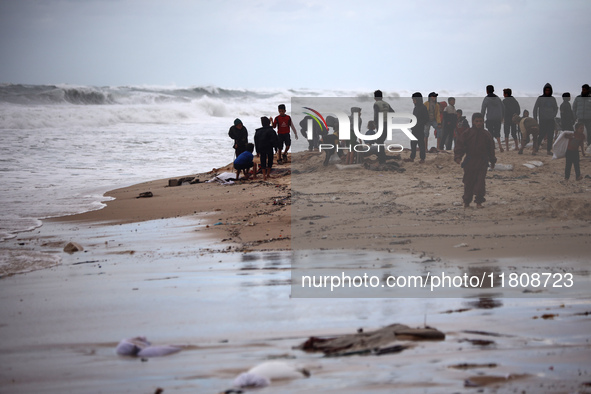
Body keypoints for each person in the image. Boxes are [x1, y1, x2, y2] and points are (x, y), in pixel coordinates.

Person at [454, 113, 497, 209]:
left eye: (481, 121)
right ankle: (467, 202)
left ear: (483, 122)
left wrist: (492, 161)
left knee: (480, 183)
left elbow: (491, 149)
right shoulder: (467, 133)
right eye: (476, 121)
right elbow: (460, 145)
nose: (479, 123)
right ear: (473, 122)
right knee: (468, 182)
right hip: (469, 161)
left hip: (482, 161)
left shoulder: (486, 134)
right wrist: (458, 157)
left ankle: (479, 202)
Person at [533, 83, 558, 155]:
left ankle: (548, 150)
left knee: (550, 135)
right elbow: (535, 109)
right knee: (541, 134)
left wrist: (553, 115)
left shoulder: (553, 99)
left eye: (549, 90)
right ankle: (535, 149)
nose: (547, 91)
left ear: (551, 90)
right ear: (544, 90)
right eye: (546, 90)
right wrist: (535, 119)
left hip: (551, 120)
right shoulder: (540, 98)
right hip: (542, 119)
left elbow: (556, 108)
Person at [404, 92, 428, 163]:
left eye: (414, 99)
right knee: (413, 144)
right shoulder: (416, 108)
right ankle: (412, 157)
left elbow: (426, 119)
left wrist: (419, 124)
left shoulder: (423, 107)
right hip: (414, 129)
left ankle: (422, 158)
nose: (413, 101)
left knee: (421, 144)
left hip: (420, 129)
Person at [480, 85, 504, 152]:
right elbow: (503, 108)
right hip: (498, 118)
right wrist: (502, 116)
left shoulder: (486, 99)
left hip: (490, 118)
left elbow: (483, 110)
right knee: (497, 132)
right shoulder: (498, 98)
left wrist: (481, 119)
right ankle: (500, 146)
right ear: (493, 90)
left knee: (490, 132)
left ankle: (492, 146)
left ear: (487, 91)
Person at [373, 90, 395, 164]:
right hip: (387, 124)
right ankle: (382, 158)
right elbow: (393, 113)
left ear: (375, 97)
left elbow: (376, 115)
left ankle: (382, 160)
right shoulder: (386, 104)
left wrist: (375, 123)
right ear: (382, 96)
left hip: (381, 124)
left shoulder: (376, 104)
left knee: (379, 141)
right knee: (381, 141)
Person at [254, 117, 279, 181]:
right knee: (270, 160)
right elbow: (274, 140)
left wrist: (257, 151)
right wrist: (276, 148)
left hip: (261, 147)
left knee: (263, 160)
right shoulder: (271, 131)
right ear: (268, 123)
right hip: (269, 147)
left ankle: (264, 175)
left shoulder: (258, 132)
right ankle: (268, 174)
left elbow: (256, 141)